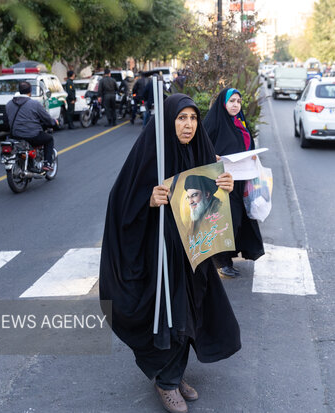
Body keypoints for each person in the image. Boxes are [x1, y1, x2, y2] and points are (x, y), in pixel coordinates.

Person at [99, 94, 240, 413]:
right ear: (167, 122)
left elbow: (212, 207)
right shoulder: (151, 153)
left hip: (193, 252)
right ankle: (167, 381)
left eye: (193, 118)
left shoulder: (201, 152)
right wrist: (149, 199)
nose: (188, 124)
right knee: (169, 313)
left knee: (191, 313)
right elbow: (120, 200)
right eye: (181, 118)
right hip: (158, 254)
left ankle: (172, 376)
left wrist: (225, 187)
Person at [203, 88, 265, 279]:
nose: (235, 105)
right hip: (220, 181)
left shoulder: (240, 123)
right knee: (226, 220)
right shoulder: (214, 123)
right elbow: (201, 147)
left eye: (238, 101)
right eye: (232, 101)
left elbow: (247, 146)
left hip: (240, 180)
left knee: (238, 220)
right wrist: (211, 156)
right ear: (223, 103)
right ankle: (221, 262)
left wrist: (252, 155)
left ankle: (228, 256)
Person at [4, 81, 57, 171]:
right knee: (49, 139)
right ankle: (47, 163)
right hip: (32, 136)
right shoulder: (34, 104)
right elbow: (47, 119)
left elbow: (5, 122)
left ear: (19, 91)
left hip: (15, 135)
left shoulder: (9, 104)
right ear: (30, 92)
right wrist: (54, 122)